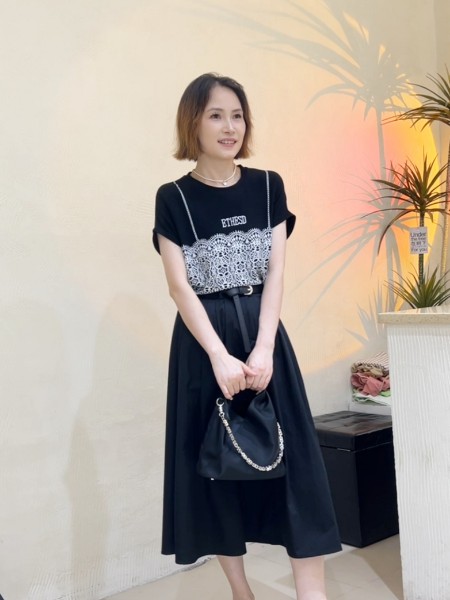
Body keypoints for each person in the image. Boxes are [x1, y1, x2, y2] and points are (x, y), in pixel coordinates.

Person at [153, 73, 341, 600]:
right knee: (213, 469)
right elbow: (179, 285)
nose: (229, 126)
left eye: (237, 115)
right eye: (216, 115)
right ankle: (242, 592)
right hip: (203, 345)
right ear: (193, 123)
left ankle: (312, 596)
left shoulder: (267, 186)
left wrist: (263, 348)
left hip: (264, 334)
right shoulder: (173, 198)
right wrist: (218, 356)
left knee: (299, 468)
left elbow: (276, 272)